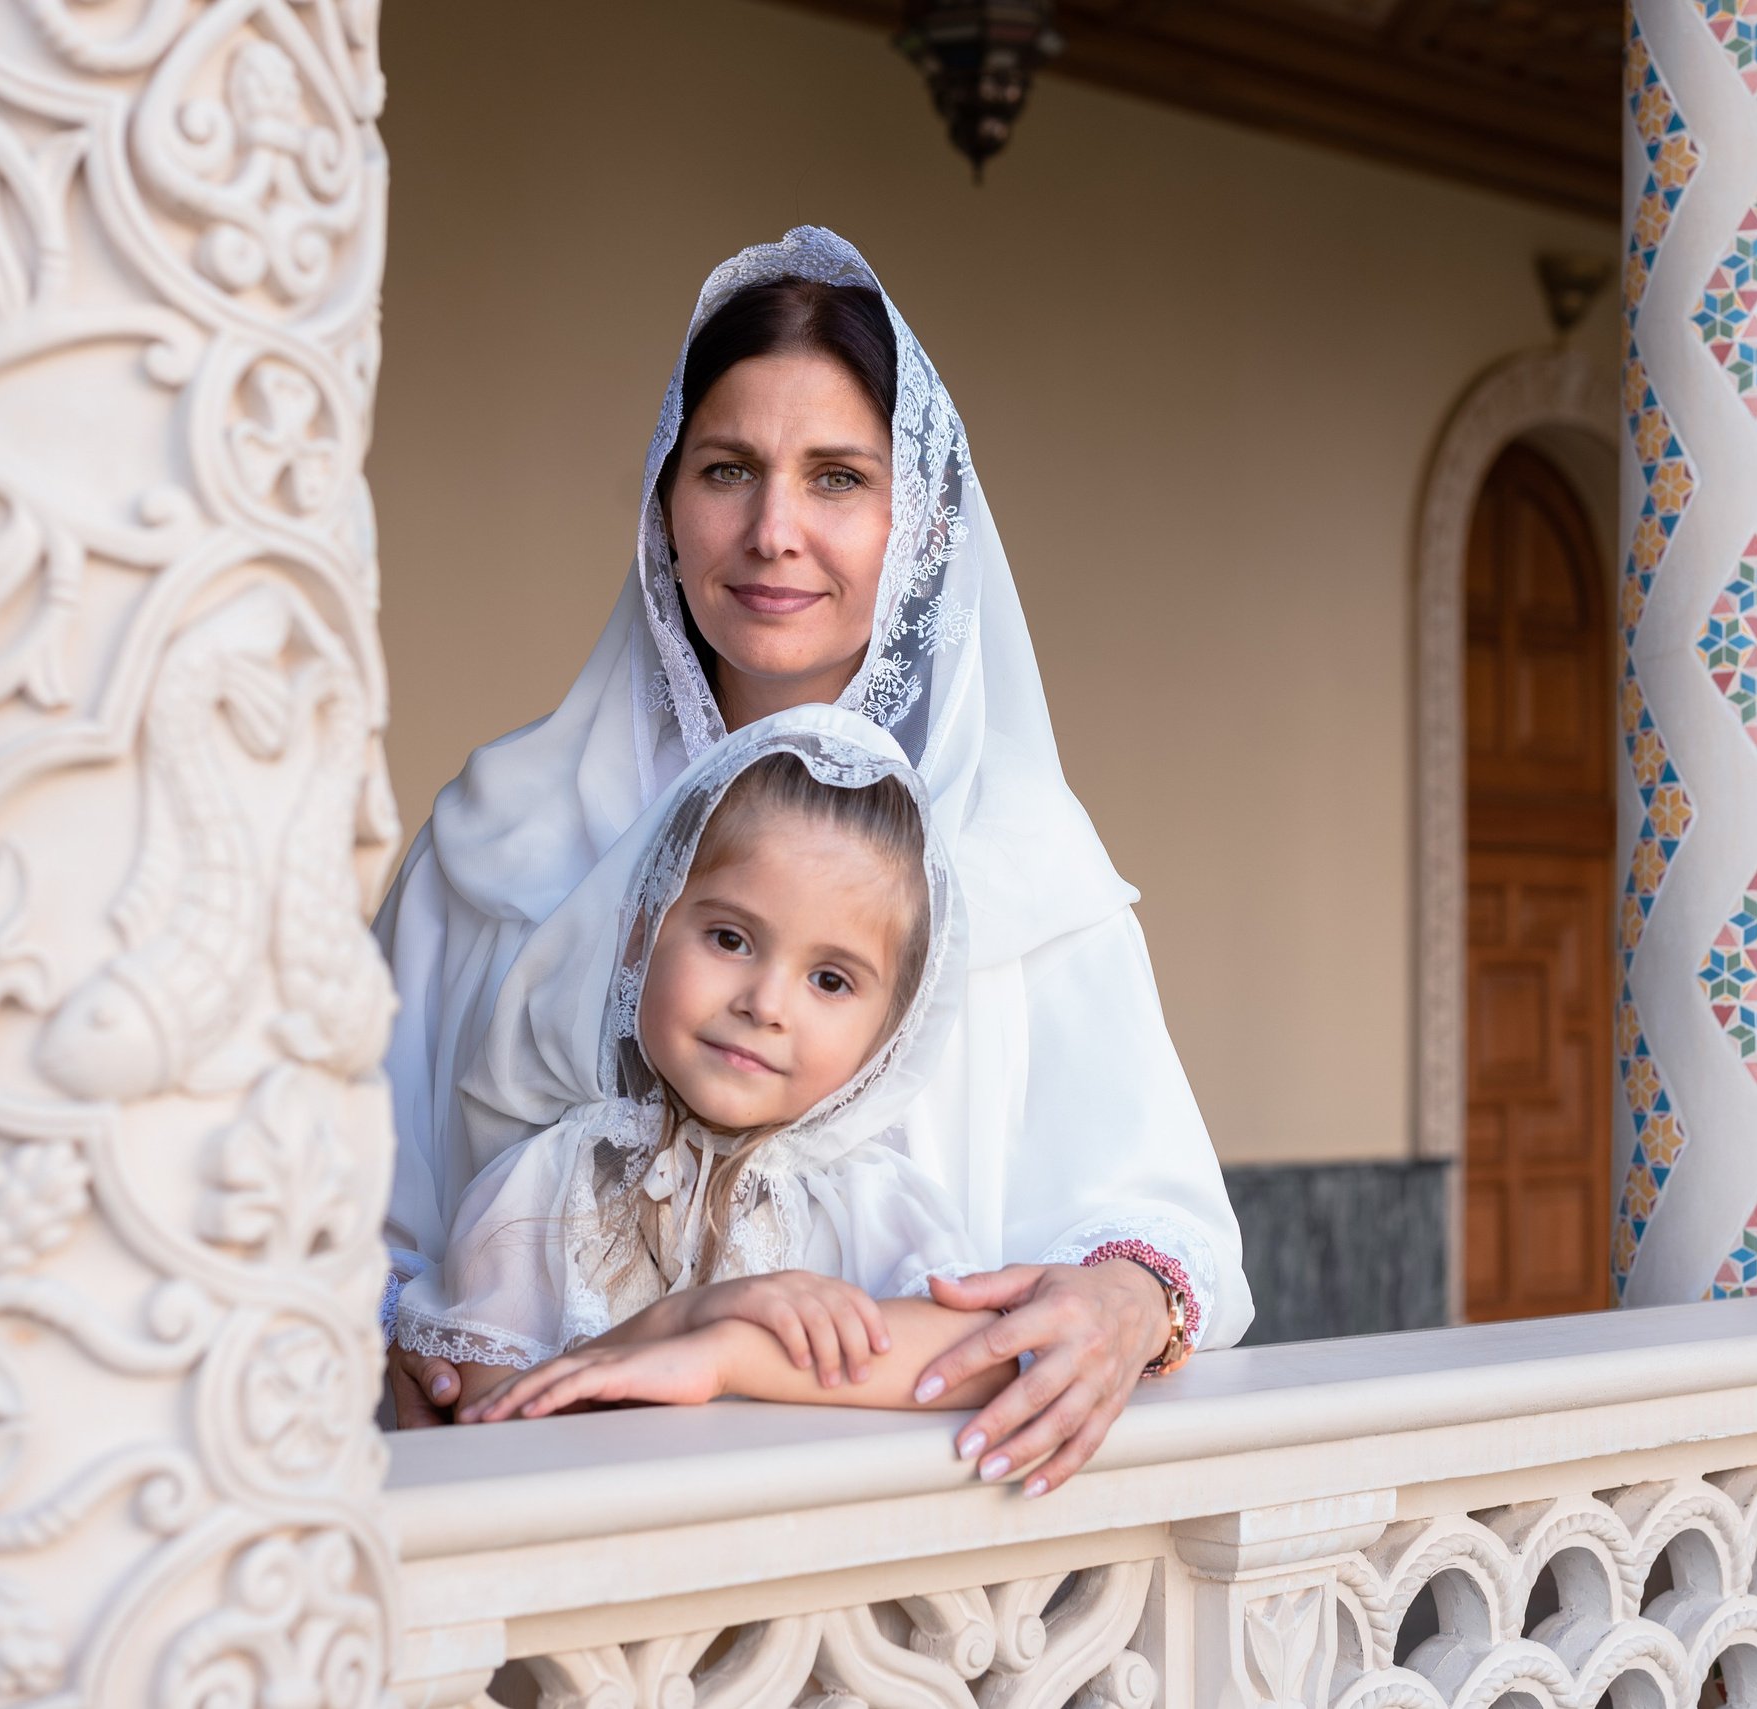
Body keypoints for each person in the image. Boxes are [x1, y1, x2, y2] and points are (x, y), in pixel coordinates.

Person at [378, 228, 1251, 1494]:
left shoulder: (1021, 861)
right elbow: (318, 1192)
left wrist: (1126, 1301)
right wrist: (386, 1330)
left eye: (838, 477)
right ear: (663, 506)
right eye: (728, 468)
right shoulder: (495, 837)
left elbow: (1163, 1229)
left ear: (918, 520)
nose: (773, 529)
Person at [395, 708, 1022, 1425]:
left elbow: (983, 1355)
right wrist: (676, 1321)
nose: (765, 1003)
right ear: (640, 935)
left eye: (830, 980)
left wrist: (731, 1350)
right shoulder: (550, 1185)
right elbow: (486, 1422)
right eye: (729, 937)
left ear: (888, 1036)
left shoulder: (861, 1200)